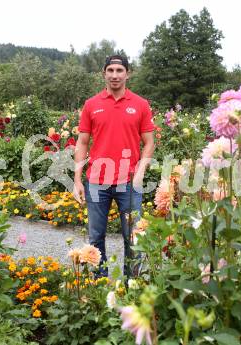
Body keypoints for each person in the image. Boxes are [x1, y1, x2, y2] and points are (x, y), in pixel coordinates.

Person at [73, 54, 155, 277]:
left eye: (120, 71)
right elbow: (82, 142)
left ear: (128, 74)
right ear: (104, 74)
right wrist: (78, 180)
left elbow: (149, 143)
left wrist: (140, 173)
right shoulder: (91, 105)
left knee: (133, 239)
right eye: (110, 71)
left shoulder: (140, 105)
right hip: (96, 183)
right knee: (96, 238)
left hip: (129, 184)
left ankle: (133, 287)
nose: (115, 75)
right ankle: (100, 288)